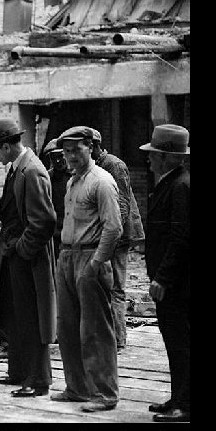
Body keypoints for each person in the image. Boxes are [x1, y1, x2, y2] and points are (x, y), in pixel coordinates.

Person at [0, 118, 57, 398]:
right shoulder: (16, 170)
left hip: (27, 260)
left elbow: (43, 222)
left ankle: (37, 380)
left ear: (5, 146)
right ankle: (17, 372)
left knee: (31, 318)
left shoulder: (32, 171)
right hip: (13, 257)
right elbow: (19, 211)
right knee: (14, 316)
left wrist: (21, 250)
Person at [51, 126, 123, 412]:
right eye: (66, 151)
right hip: (67, 257)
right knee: (67, 327)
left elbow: (114, 227)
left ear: (91, 148)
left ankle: (105, 394)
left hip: (90, 258)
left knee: (95, 330)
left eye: (76, 150)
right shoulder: (72, 182)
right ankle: (77, 388)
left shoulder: (102, 182)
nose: (70, 157)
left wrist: (96, 263)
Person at [139, 124, 190, 422]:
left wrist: (162, 278)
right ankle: (179, 397)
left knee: (180, 342)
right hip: (173, 282)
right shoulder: (172, 183)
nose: (149, 159)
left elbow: (180, 238)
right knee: (174, 342)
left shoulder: (180, 186)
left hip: (177, 284)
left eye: (154, 154)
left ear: (168, 157)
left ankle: (184, 405)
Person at [90, 129, 145, 353]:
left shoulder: (114, 165)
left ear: (93, 147)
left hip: (117, 236)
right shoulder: (95, 166)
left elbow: (121, 205)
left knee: (116, 289)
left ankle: (119, 340)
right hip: (106, 234)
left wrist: (111, 237)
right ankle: (107, 336)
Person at [42, 138, 72, 259]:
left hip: (72, 234)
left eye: (61, 156)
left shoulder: (76, 177)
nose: (58, 161)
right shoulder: (47, 178)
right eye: (54, 158)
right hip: (53, 234)